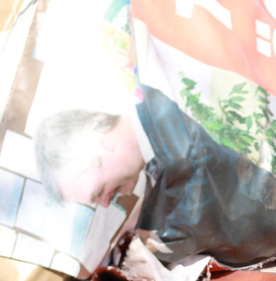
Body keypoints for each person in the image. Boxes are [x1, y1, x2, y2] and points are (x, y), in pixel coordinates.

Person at [35, 84, 276, 267]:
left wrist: (146, 245)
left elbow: (198, 194)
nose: (106, 202)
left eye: (98, 192)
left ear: (99, 142)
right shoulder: (156, 128)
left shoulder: (173, 130)